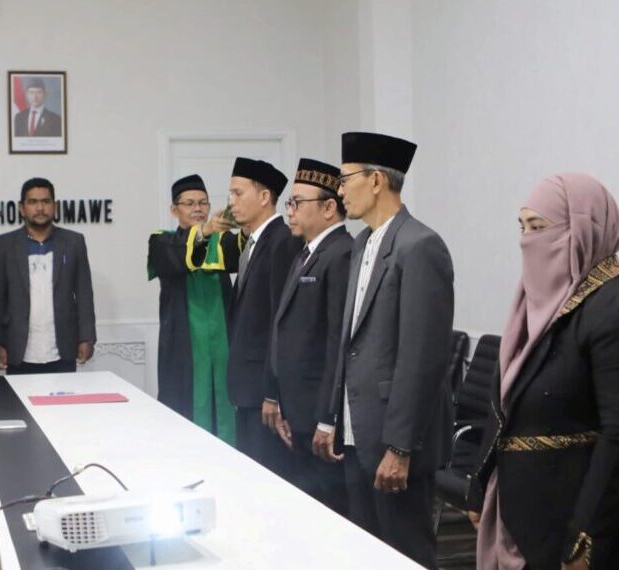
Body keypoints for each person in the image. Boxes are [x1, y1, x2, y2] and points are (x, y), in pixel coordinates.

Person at [469, 174, 619, 570]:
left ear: (584, 229)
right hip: (525, 519)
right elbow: (506, 401)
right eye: (522, 227)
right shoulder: (534, 308)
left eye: (539, 226)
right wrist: (481, 484)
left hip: (588, 530)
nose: (527, 240)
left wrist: (584, 541)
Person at [321, 132, 454, 568]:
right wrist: (333, 418)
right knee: (366, 552)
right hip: (358, 429)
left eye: (345, 180)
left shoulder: (420, 245)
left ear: (376, 180)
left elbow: (422, 359)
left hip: (394, 440)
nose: (340, 191)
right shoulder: (363, 243)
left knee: (405, 552)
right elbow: (351, 342)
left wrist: (400, 447)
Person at [190, 157, 303, 475]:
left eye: (238, 193)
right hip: (248, 390)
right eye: (230, 194)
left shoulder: (281, 241)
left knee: (271, 477)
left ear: (265, 197)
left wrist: (273, 393)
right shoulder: (253, 242)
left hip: (264, 395)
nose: (231, 203)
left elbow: (281, 324)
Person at [268, 159, 351, 514]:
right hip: (297, 410)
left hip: (318, 412)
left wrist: (327, 417)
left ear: (329, 208)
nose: (290, 210)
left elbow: (337, 342)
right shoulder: (307, 252)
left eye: (298, 202)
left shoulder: (340, 254)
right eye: (290, 202)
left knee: (328, 510)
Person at [147, 174, 234, 444]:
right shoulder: (162, 241)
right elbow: (176, 256)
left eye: (203, 203)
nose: (198, 208)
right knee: (184, 415)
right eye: (190, 203)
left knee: (226, 411)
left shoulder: (222, 241)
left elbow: (244, 251)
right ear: (174, 210)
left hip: (224, 346)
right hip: (184, 349)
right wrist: (205, 232)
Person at [0, 178, 96, 374]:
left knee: (64, 395)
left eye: (46, 202)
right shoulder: (4, 245)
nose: (40, 208)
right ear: (22, 208)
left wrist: (86, 337)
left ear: (55, 206)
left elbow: (84, 293)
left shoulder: (74, 242)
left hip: (63, 348)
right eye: (33, 202)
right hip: (18, 349)